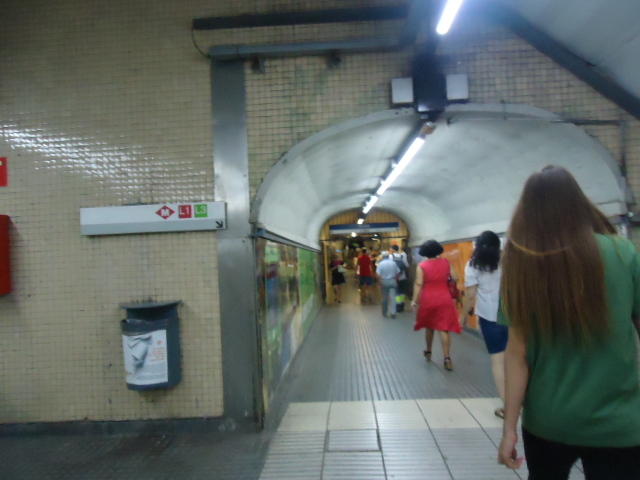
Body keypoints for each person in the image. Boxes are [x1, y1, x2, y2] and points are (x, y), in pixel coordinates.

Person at [497, 166, 640, 479]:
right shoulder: (623, 252)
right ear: (579, 203)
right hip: (618, 420)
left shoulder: (521, 263)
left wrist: (509, 430)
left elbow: (517, 354)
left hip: (548, 420)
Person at [461, 231, 506, 418]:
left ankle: (508, 407)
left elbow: (470, 295)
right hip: (516, 316)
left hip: (490, 317)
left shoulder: (473, 265)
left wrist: (463, 317)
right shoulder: (510, 260)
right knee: (519, 360)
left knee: (498, 361)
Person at [411, 239, 461, 371]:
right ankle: (447, 358)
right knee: (444, 329)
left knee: (429, 327)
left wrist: (414, 301)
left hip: (429, 299)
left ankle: (428, 351)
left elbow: (419, 284)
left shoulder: (422, 266)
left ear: (424, 252)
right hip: (444, 298)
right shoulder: (446, 262)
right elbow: (455, 277)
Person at [376, 251, 400, 318]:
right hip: (392, 281)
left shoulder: (380, 264)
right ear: (388, 256)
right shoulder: (393, 263)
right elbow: (398, 272)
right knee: (393, 297)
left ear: (382, 257)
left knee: (384, 298)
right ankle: (393, 313)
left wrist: (379, 282)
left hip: (384, 282)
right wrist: (395, 279)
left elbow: (378, 274)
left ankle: (385, 313)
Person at [390, 244, 409, 311]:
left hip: (395, 277)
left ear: (392, 249)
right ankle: (402, 305)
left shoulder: (390, 256)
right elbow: (406, 265)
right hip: (403, 276)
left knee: (396, 292)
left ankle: (398, 306)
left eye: (390, 249)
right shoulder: (403, 255)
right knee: (402, 291)